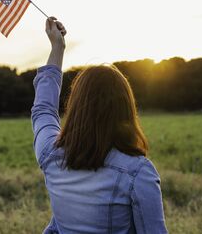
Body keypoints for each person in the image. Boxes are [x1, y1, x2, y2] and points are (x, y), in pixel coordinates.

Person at [31, 17, 168, 234]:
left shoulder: (51, 155)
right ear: (126, 110)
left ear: (76, 107)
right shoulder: (138, 172)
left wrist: (57, 48)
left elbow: (43, 110)